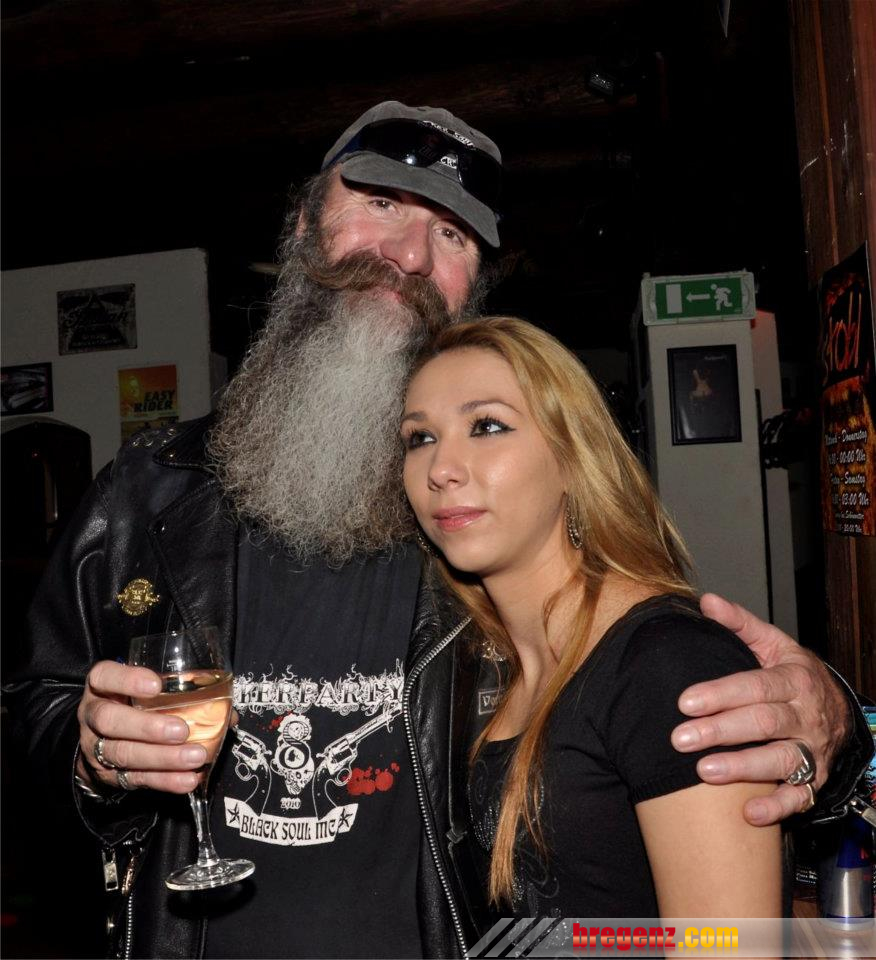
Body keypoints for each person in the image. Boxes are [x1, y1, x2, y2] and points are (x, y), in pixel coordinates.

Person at [6, 101, 870, 959]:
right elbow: (34, 709)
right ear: (305, 222)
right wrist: (91, 758)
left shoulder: (478, 520)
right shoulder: (148, 490)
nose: (411, 255)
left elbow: (647, 696)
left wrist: (836, 725)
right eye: (381, 203)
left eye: (451, 235)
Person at [401, 316, 781, 927]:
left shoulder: (668, 664)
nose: (441, 468)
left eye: (487, 426)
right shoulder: (472, 666)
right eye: (419, 437)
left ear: (572, 457)